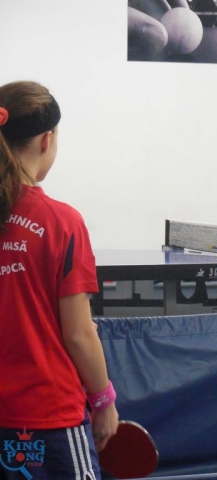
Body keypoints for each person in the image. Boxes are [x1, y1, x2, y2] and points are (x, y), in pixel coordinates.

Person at [0, 81, 119, 479]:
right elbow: (79, 334)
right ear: (46, 140)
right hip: (48, 417)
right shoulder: (61, 222)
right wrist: (103, 399)